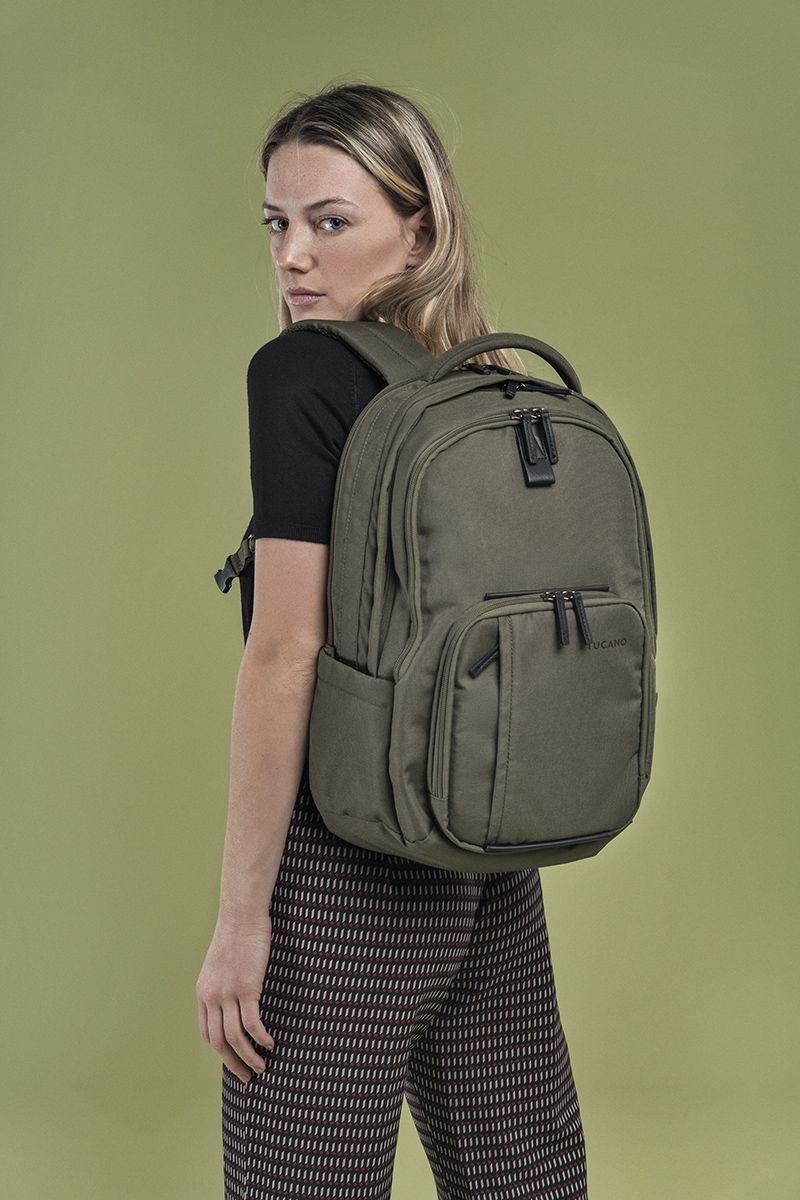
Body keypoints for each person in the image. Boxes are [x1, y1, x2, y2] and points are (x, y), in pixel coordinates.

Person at [196, 82, 589, 1200]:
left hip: (346, 864)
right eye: (277, 223)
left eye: (331, 220)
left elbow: (288, 651)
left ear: (419, 231)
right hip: (488, 848)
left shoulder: (301, 373)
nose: (293, 256)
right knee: (522, 1176)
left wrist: (241, 921)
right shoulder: (492, 385)